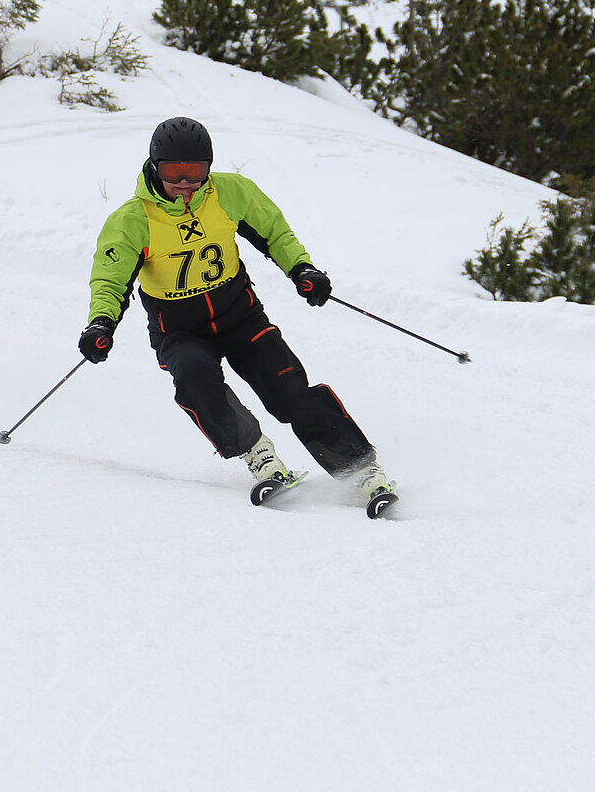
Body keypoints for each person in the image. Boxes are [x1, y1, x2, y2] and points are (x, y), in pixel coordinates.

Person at [79, 116, 398, 517]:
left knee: (289, 391)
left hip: (240, 317)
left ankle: (360, 470)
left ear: (208, 168)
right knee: (194, 378)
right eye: (174, 172)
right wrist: (101, 323)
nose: (184, 183)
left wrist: (302, 270)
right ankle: (259, 456)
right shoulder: (132, 220)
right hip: (179, 329)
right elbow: (110, 280)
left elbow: (275, 233)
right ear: (155, 166)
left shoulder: (230, 193)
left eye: (195, 171)